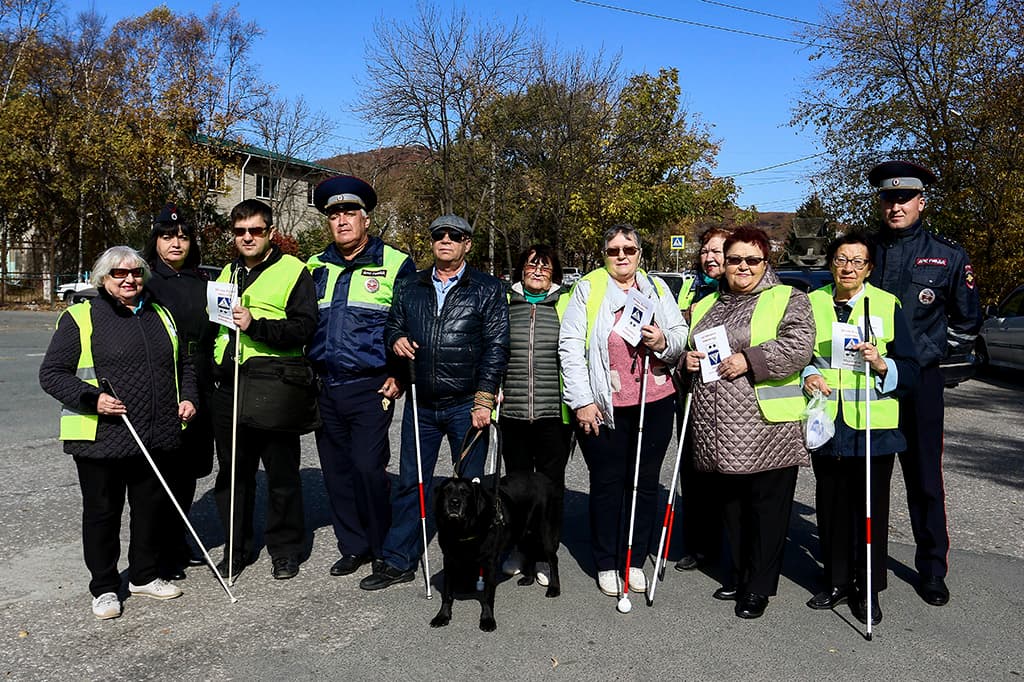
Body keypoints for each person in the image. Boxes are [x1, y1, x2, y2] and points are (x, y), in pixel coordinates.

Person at [39, 246, 197, 619]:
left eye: (136, 273)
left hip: (154, 435)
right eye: (119, 274)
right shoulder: (80, 317)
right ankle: (105, 586)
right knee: (102, 513)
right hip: (101, 437)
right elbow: (52, 374)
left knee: (149, 510)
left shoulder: (161, 314)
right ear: (103, 279)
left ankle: (143, 575)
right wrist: (92, 399)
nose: (129, 280)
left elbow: (185, 362)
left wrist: (189, 397)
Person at [359, 214, 509, 591]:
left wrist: (484, 400)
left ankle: (474, 562)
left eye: (454, 236)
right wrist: (396, 340)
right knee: (413, 482)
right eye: (439, 235)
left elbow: (496, 347)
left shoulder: (488, 289)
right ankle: (398, 559)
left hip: (466, 403)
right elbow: (393, 325)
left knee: (472, 489)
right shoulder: (411, 285)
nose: (446, 240)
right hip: (422, 403)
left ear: (467, 244)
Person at [681, 226, 814, 619]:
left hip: (766, 425)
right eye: (734, 259)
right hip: (717, 424)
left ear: (765, 262)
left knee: (766, 510)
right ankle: (738, 574)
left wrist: (749, 360)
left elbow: (798, 345)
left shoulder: (789, 298)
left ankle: (758, 586)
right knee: (732, 507)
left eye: (751, 260)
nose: (742, 267)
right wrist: (684, 362)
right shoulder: (707, 306)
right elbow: (693, 352)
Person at [866, 160, 982, 606]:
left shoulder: (948, 256)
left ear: (921, 202)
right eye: (888, 198)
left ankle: (932, 568)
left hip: (919, 384)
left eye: (903, 198)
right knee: (870, 478)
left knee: (925, 480)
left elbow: (966, 323)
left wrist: (923, 360)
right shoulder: (866, 251)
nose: (895, 206)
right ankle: (868, 566)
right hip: (869, 380)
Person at [559, 224, 687, 598]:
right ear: (604, 253)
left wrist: (664, 341)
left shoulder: (656, 288)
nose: (621, 256)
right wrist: (581, 401)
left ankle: (634, 556)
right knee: (608, 483)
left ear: (640, 254)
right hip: (605, 404)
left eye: (628, 249)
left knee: (645, 483)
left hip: (655, 401)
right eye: (614, 249)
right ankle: (606, 560)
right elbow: (570, 347)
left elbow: (680, 333)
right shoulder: (589, 287)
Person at [803, 229, 919, 626]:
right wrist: (807, 376)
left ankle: (867, 589)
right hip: (827, 423)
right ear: (831, 263)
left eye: (857, 261)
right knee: (831, 507)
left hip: (873, 428)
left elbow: (913, 369)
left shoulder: (886, 305)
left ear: (869, 268)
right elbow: (802, 356)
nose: (848, 268)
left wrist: (883, 364)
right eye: (841, 259)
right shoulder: (812, 303)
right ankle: (835, 580)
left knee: (869, 511)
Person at [306, 176, 416, 578]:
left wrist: (400, 374)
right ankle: (352, 545)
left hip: (372, 385)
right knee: (336, 472)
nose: (342, 221)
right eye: (334, 215)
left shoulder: (395, 262)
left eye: (349, 213)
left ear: (366, 219)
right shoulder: (314, 266)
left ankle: (383, 542)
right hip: (325, 385)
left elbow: (408, 324)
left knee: (369, 468)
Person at [209, 199, 318, 581]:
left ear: (270, 232)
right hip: (231, 387)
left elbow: (305, 328)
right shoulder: (228, 272)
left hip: (275, 385)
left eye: (255, 230)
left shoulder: (294, 271)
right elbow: (216, 328)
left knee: (282, 476)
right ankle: (236, 550)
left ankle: (285, 550)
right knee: (233, 475)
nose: (248, 238)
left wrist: (257, 325)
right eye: (240, 232)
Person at [141, 203, 215, 581]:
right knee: (160, 473)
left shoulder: (205, 283)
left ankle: (177, 538)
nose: (175, 243)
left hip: (200, 383)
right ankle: (157, 551)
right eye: (167, 236)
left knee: (189, 471)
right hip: (160, 385)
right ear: (155, 240)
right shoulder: (143, 282)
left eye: (183, 237)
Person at [500, 244, 571, 586]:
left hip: (551, 414)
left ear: (555, 273)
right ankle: (518, 549)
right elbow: (493, 350)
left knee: (549, 490)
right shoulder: (505, 305)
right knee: (514, 487)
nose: (538, 272)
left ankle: (545, 554)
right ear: (521, 271)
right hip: (512, 411)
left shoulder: (566, 305)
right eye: (531, 266)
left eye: (545, 267)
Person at [674, 226, 730, 573]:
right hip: (694, 394)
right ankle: (698, 545)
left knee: (728, 475)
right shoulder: (691, 289)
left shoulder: (745, 293)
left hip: (730, 398)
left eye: (717, 251)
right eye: (705, 251)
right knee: (694, 473)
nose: (710, 258)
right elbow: (680, 340)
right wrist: (684, 358)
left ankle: (728, 544)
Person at [677, 227, 729, 313]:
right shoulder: (689, 286)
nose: (708, 258)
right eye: (704, 252)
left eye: (716, 251)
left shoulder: (742, 288)